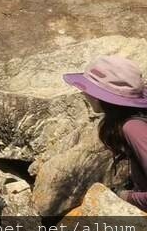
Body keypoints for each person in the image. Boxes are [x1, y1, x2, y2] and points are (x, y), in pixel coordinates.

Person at [63, 55, 147, 211]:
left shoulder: (133, 128)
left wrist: (125, 197)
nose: (83, 93)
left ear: (100, 97)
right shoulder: (134, 120)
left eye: (87, 89)